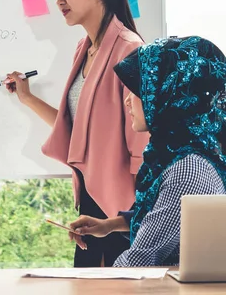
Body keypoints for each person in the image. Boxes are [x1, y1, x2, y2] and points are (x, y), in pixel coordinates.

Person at [6, 0, 149, 267]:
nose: (59, 0)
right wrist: (28, 98)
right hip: (89, 197)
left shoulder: (130, 50)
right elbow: (74, 132)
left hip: (121, 204)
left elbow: (141, 143)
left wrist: (138, 213)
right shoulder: (83, 50)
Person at [69, 36, 226, 266]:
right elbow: (167, 214)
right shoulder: (179, 154)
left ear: (168, 95)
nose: (127, 102)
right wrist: (109, 225)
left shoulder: (187, 169)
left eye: (138, 91)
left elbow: (138, 261)